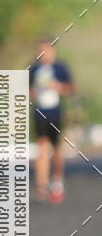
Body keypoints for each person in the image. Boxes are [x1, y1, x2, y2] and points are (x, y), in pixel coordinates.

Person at [29, 38, 73, 204]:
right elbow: (28, 91)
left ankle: (56, 181)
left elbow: (70, 89)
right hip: (39, 113)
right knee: (42, 147)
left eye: (45, 50)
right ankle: (41, 185)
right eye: (40, 50)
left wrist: (58, 87)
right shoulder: (34, 69)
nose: (42, 54)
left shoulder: (60, 68)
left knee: (55, 148)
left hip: (56, 113)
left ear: (52, 50)